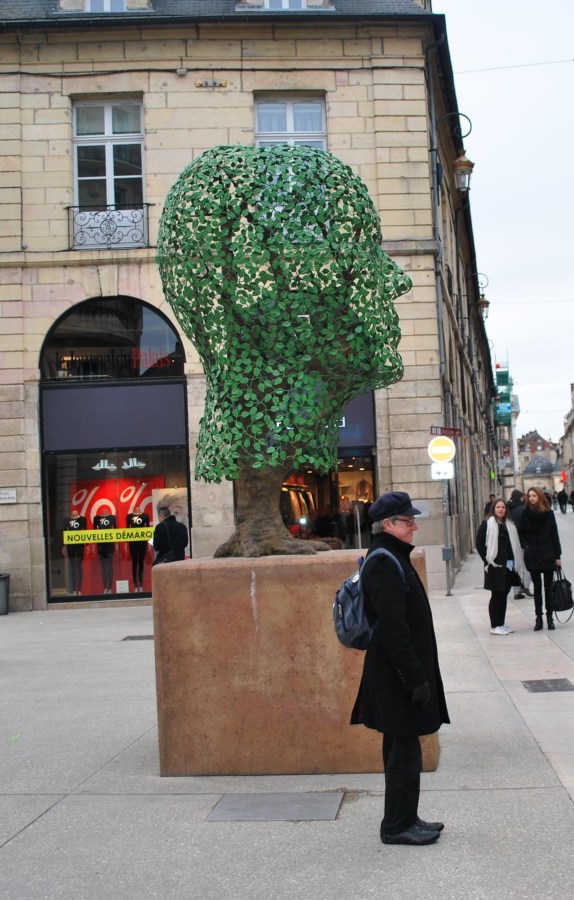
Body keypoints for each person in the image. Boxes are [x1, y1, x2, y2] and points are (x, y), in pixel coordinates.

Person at [350, 491, 450, 846]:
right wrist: (414, 677)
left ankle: (406, 817)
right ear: (388, 525)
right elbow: (393, 629)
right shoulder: (383, 562)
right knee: (403, 753)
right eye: (407, 521)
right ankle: (396, 826)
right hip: (395, 677)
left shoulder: (394, 556)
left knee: (402, 748)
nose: (414, 526)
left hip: (400, 674)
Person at [476, 498, 527, 636]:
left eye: (503, 507)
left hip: (509, 565)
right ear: (494, 509)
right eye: (498, 507)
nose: (500, 509)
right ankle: (494, 625)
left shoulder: (509, 525)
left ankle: (501, 623)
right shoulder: (487, 524)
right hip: (495, 566)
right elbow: (479, 544)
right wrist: (488, 561)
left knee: (504, 595)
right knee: (496, 595)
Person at [519, 487, 561, 631]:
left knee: (548, 589)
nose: (531, 498)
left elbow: (554, 534)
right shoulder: (525, 514)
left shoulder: (548, 514)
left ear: (540, 497)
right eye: (529, 496)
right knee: (536, 589)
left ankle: (550, 618)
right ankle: (539, 619)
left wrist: (558, 556)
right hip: (533, 555)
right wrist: (527, 546)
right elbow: (522, 533)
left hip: (548, 554)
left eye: (534, 495)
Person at [506, 489, 533, 600]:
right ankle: (525, 586)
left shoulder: (506, 509)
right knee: (527, 566)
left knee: (513, 567)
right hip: (521, 543)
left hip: (508, 544)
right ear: (521, 498)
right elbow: (525, 527)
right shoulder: (523, 509)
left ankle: (516, 591)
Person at [62, 508, 87, 595]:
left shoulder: (82, 519)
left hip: (80, 546)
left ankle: (79, 589)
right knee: (72, 568)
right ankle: (73, 589)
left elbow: (85, 532)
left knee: (79, 567)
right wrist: (64, 546)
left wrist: (86, 545)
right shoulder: (67, 520)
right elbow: (64, 532)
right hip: (70, 546)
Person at [93, 507, 117, 594]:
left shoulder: (112, 518)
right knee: (103, 567)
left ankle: (109, 587)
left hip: (110, 545)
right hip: (100, 545)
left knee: (110, 566)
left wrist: (116, 543)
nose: (104, 512)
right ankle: (105, 588)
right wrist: (94, 544)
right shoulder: (97, 518)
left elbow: (116, 530)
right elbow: (94, 531)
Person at [126, 506, 150, 592]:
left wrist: (149, 542)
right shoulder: (129, 516)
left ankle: (141, 582)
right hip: (132, 541)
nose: (137, 509)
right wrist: (126, 542)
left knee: (141, 562)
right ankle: (135, 583)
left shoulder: (145, 516)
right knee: (134, 562)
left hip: (142, 541)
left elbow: (147, 529)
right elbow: (127, 529)